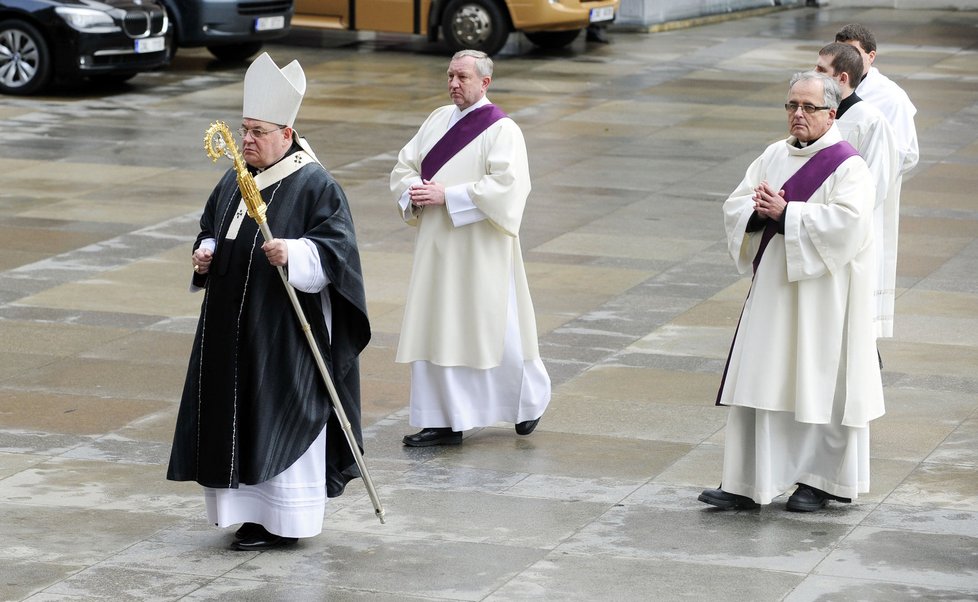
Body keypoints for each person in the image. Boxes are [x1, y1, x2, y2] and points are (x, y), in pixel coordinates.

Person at [167, 52, 371, 550]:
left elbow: (339, 252)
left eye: (258, 131)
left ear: (287, 132)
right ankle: (245, 514)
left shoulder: (315, 183)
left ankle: (286, 519)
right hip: (229, 331)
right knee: (235, 416)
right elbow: (211, 226)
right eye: (244, 130)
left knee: (276, 412)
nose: (248, 141)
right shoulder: (236, 176)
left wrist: (299, 253)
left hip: (283, 334)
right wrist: (205, 252)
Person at [699, 71, 885, 513]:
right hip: (774, 292)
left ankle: (817, 480)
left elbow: (851, 225)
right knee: (764, 377)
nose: (797, 115)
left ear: (831, 113)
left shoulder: (848, 166)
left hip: (823, 298)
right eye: (791, 106)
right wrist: (757, 212)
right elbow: (736, 204)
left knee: (817, 383)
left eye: (808, 107)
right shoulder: (772, 154)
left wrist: (789, 214)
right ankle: (748, 482)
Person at [390, 49, 551, 447]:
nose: (454, 84)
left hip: (481, 249)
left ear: (485, 82)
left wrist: (450, 195)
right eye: (450, 76)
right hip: (436, 247)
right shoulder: (436, 120)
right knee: (437, 327)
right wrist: (415, 191)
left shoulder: (502, 130)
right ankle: (443, 420)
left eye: (462, 77)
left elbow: (510, 187)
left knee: (495, 330)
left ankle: (528, 402)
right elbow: (404, 166)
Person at [815, 42, 901, 339]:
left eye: (820, 70)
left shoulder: (871, 121)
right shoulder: (821, 115)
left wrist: (837, 214)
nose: (814, 75)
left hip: (850, 225)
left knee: (853, 315)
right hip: (818, 223)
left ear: (841, 78)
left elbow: (875, 183)